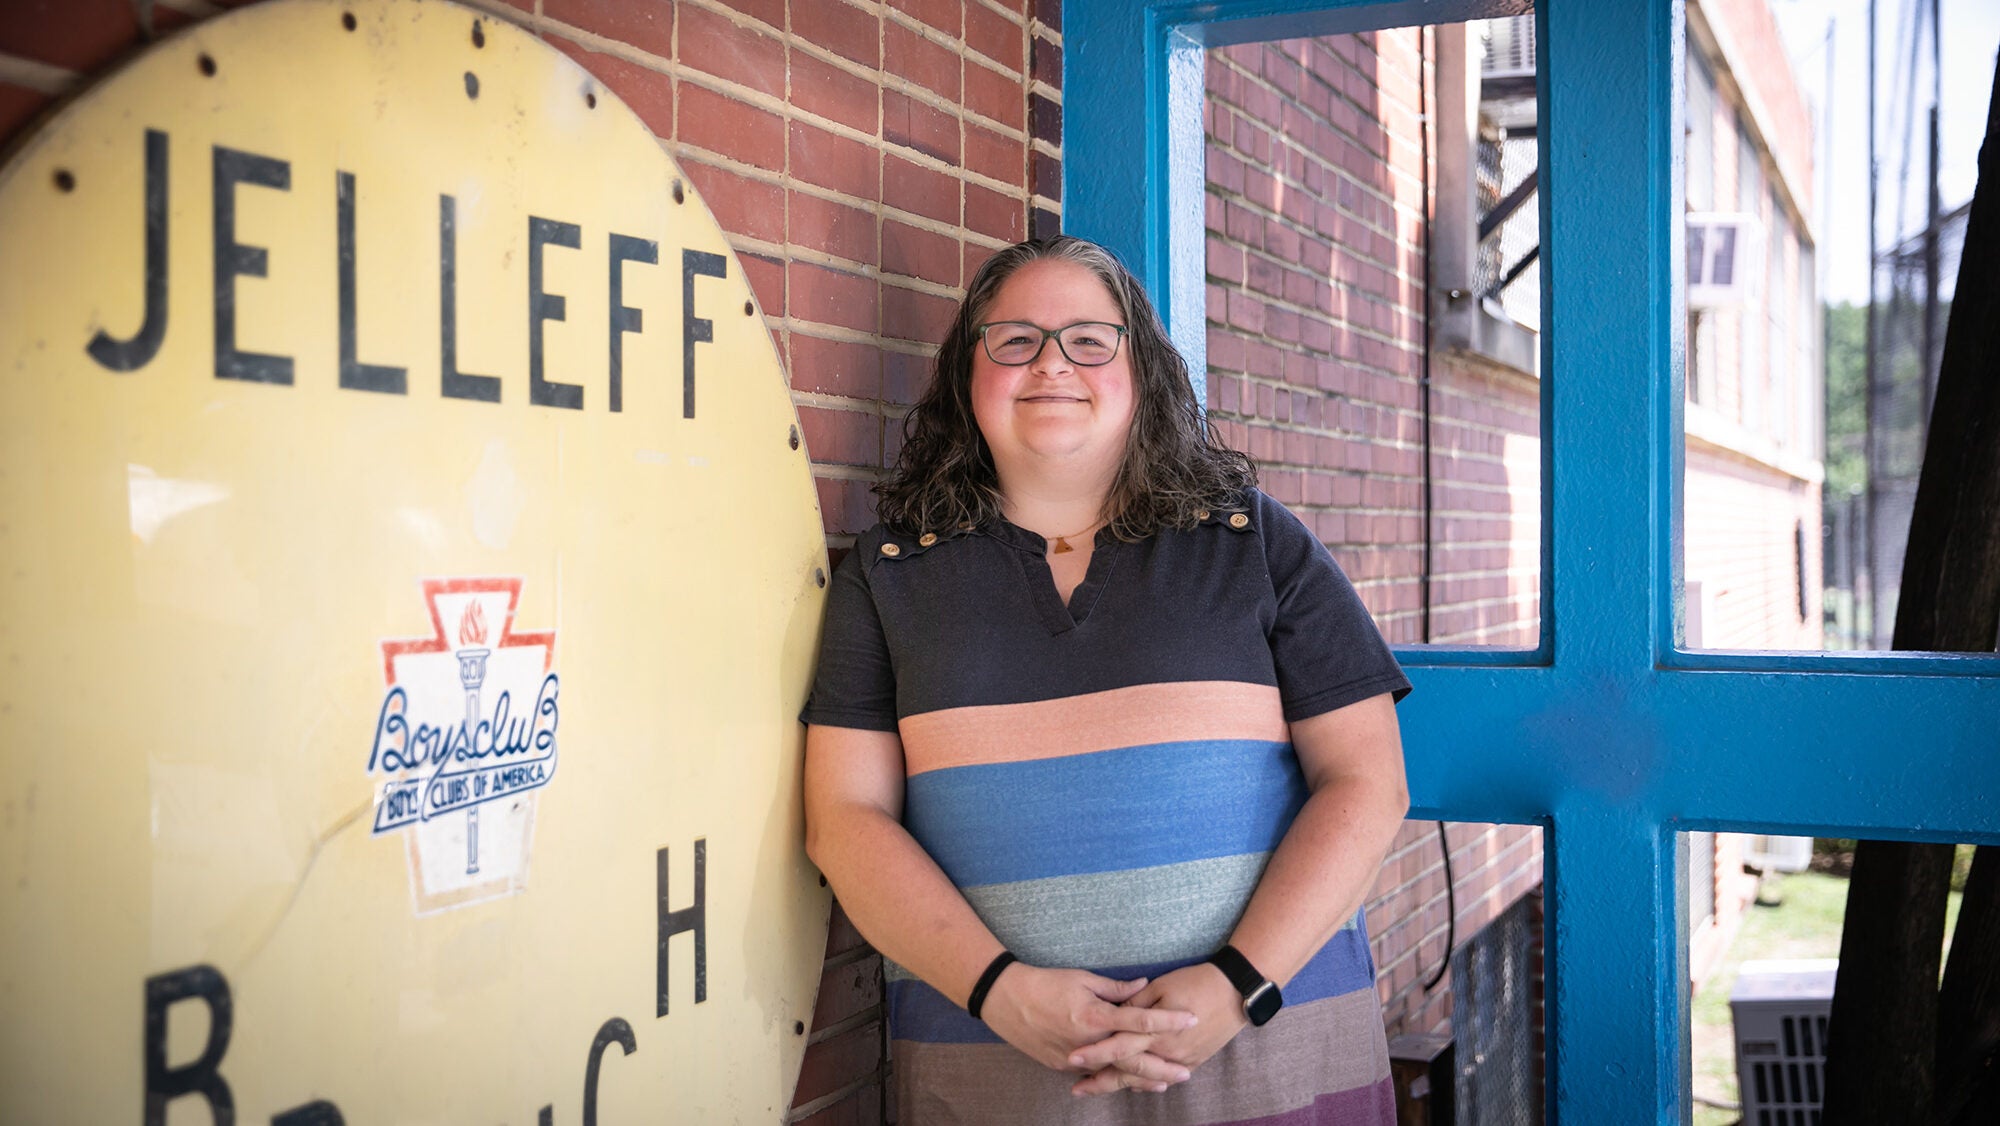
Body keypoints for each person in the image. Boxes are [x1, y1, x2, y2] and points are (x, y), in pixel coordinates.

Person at [801, 235, 1412, 1124]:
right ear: (967, 374)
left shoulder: (1255, 545)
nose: (1052, 363)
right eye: (1013, 339)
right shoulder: (887, 577)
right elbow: (844, 823)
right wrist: (1002, 992)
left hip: (1267, 1053)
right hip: (991, 1067)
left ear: (1144, 374)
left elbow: (1369, 782)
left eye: (1091, 339)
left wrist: (1236, 986)